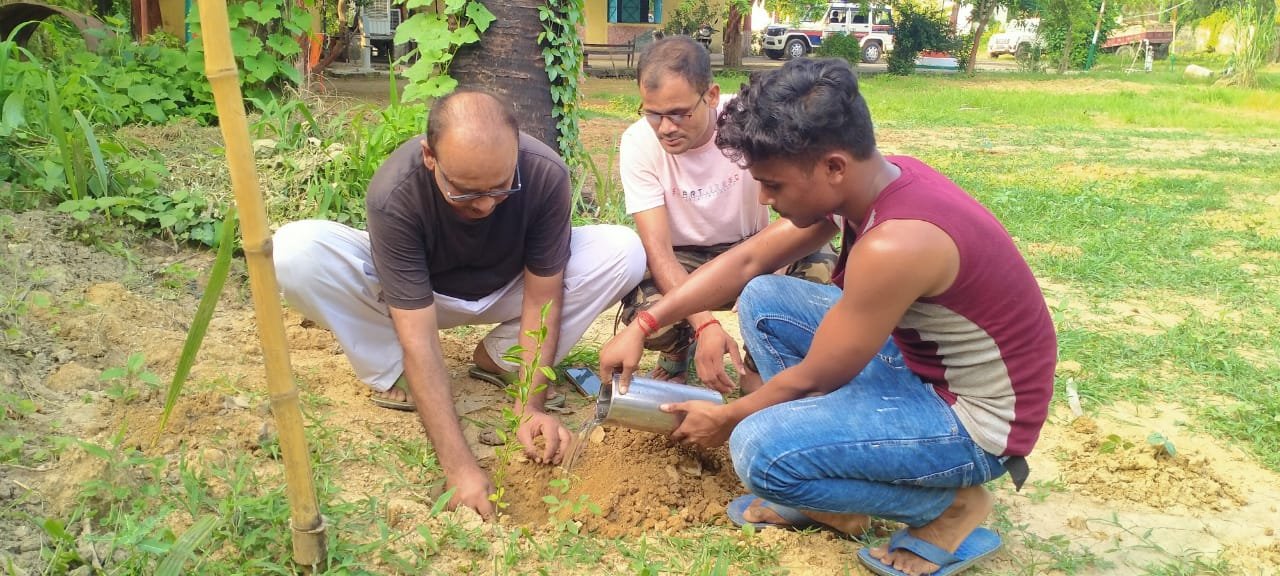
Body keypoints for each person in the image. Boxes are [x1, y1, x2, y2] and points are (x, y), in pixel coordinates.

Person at [598, 58, 1056, 576]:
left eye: (773, 184)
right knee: (764, 296)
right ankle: (831, 484)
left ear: (834, 166)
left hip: (977, 420)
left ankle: (952, 508)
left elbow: (819, 375)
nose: (765, 199)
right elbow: (749, 261)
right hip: (923, 369)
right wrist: (644, 325)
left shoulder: (897, 244)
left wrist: (726, 419)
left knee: (758, 449)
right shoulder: (874, 180)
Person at [274, 91, 646, 520]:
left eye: (501, 188)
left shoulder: (544, 174)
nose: (486, 204)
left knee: (624, 251)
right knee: (294, 252)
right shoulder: (396, 191)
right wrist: (460, 467)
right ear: (430, 156)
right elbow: (417, 333)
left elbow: (543, 297)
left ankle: (501, 360)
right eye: (466, 193)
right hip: (414, 300)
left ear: (515, 148)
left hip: (509, 289)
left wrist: (531, 406)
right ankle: (395, 370)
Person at [618, 35, 835, 392]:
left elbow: (800, 206)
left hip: (755, 244)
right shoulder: (638, 143)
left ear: (712, 96)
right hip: (683, 256)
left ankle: (758, 359)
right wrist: (705, 325)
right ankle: (678, 349)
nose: (666, 128)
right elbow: (660, 254)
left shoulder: (749, 123)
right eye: (653, 114)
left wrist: (774, 279)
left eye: (679, 113)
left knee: (817, 269)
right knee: (648, 312)